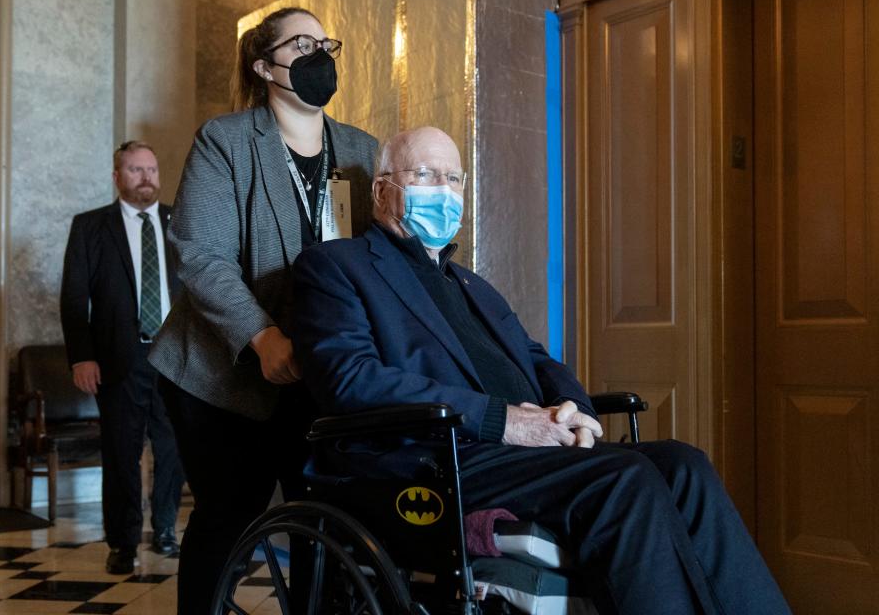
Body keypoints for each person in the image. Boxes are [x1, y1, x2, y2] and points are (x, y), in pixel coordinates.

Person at [291, 126, 792, 615]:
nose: (444, 191)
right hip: (435, 454)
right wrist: (505, 420)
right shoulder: (336, 266)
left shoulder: (473, 286)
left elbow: (536, 358)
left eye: (454, 179)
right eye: (425, 174)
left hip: (518, 451)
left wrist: (576, 410)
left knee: (685, 464)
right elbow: (351, 379)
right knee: (623, 479)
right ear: (383, 191)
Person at [147, 7, 378, 614]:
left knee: (325, 523)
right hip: (220, 372)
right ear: (263, 65)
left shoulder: (361, 149)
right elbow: (201, 255)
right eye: (301, 44)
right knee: (229, 518)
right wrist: (262, 336)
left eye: (325, 42)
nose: (318, 55)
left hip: (321, 370)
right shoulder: (226, 140)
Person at [60, 140, 185, 575]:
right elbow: (74, 300)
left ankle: (166, 531)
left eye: (151, 169)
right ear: (117, 177)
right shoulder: (91, 227)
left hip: (175, 359)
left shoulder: (179, 222)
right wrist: (82, 357)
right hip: (118, 359)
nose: (146, 177)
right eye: (135, 170)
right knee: (121, 453)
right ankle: (123, 542)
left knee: (173, 452)